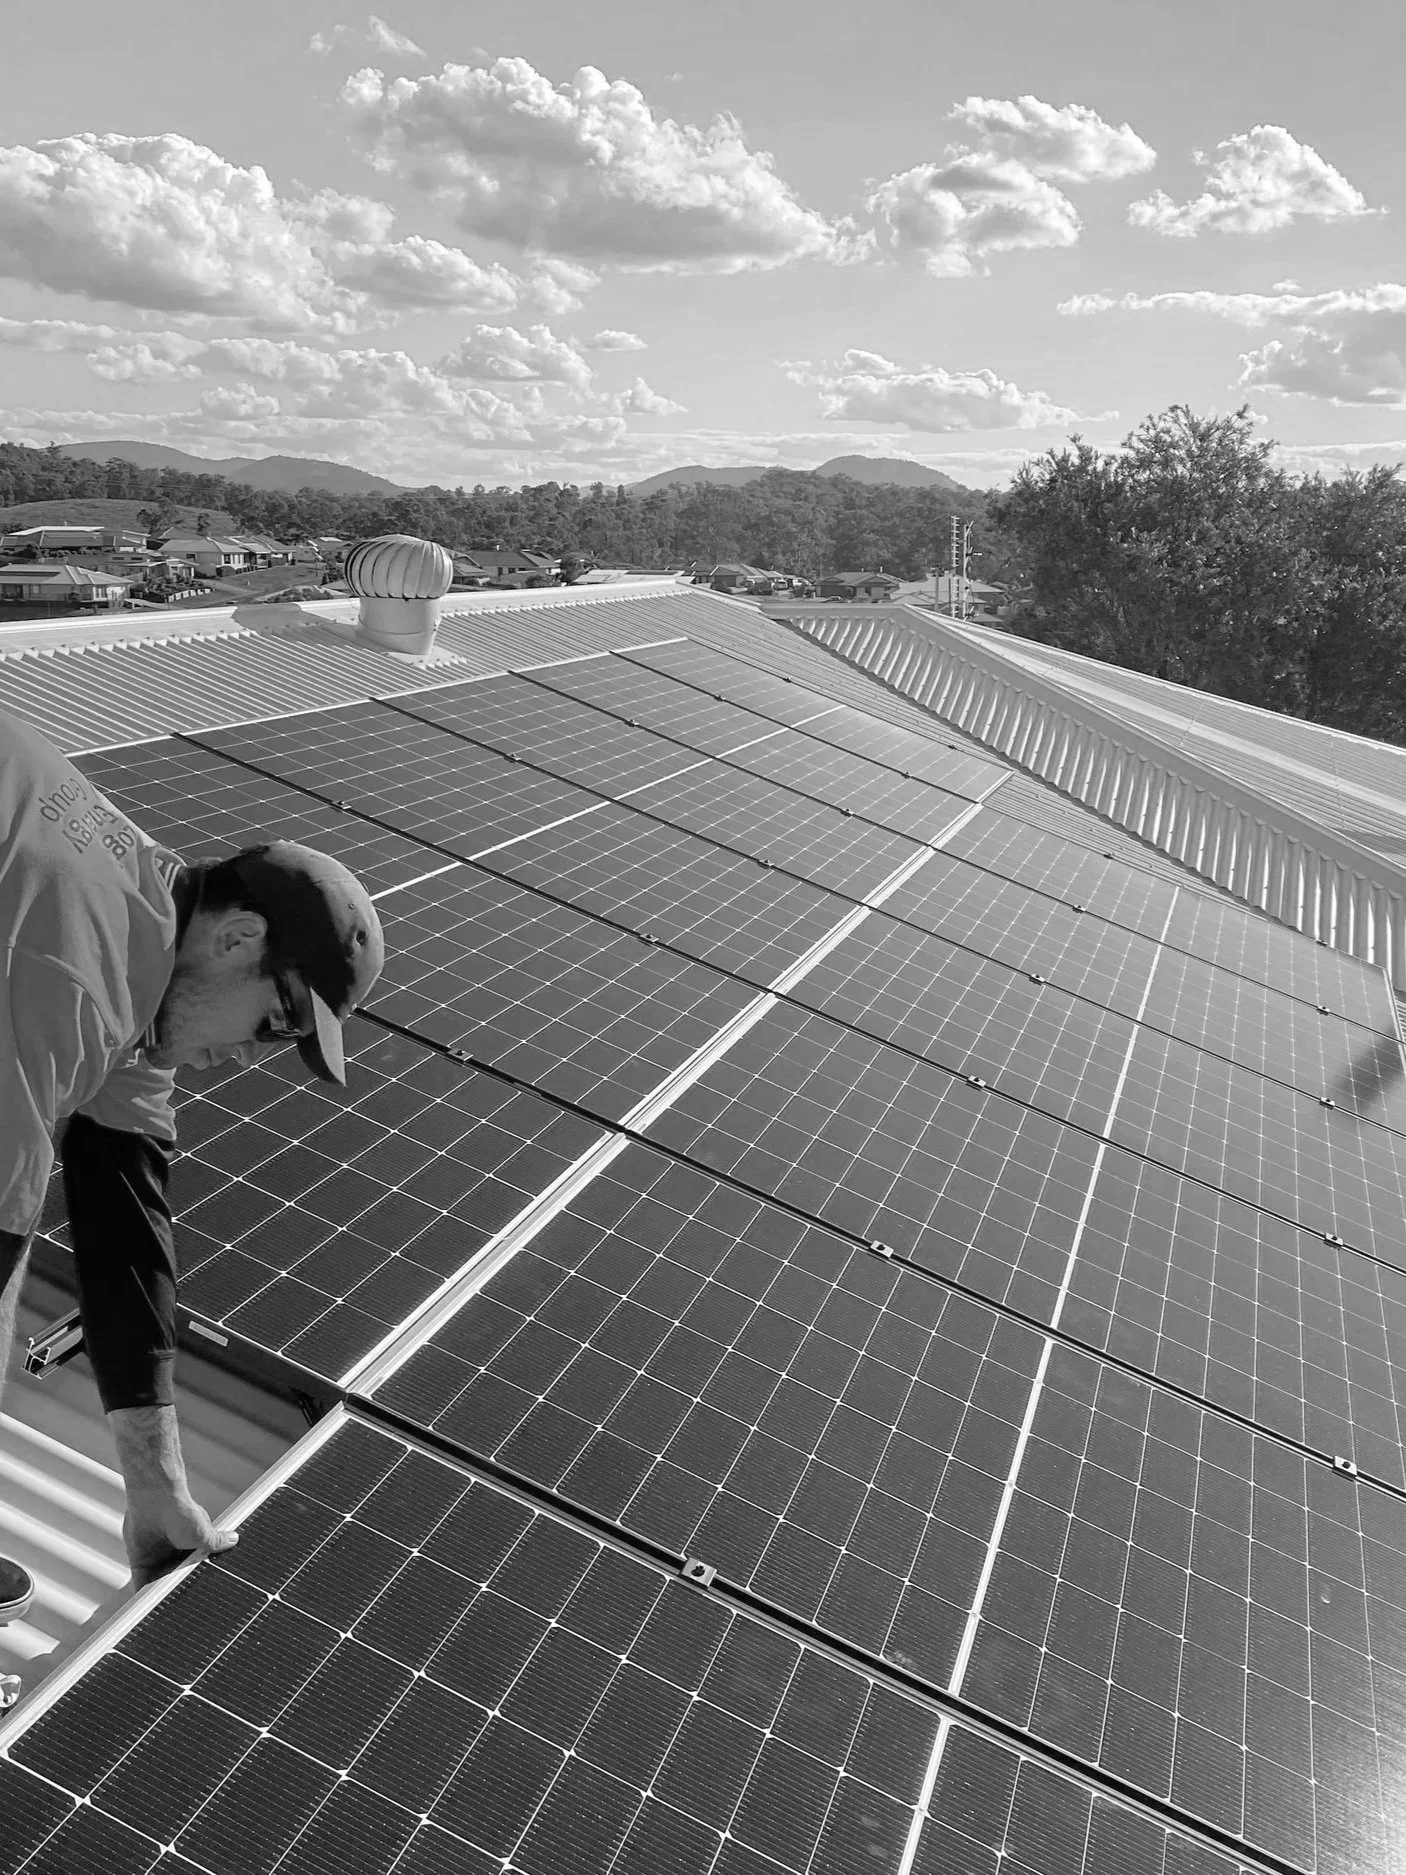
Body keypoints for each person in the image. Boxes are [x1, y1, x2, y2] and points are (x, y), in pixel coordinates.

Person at [0, 705, 385, 1645]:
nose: (255, 1056)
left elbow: (127, 1219)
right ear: (237, 938)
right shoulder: (73, 971)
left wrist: (159, 1487)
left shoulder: (144, 927)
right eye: (276, 1023)